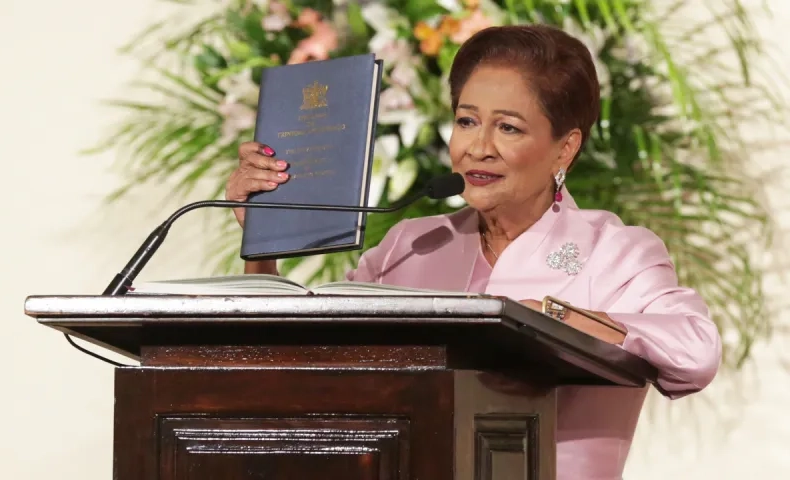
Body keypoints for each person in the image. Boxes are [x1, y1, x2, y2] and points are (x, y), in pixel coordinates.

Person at [224, 24, 721, 480]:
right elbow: (297, 361)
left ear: (564, 148)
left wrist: (551, 320)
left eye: (508, 128)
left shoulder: (613, 252)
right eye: (466, 121)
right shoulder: (412, 244)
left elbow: (696, 351)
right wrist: (263, 236)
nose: (477, 147)